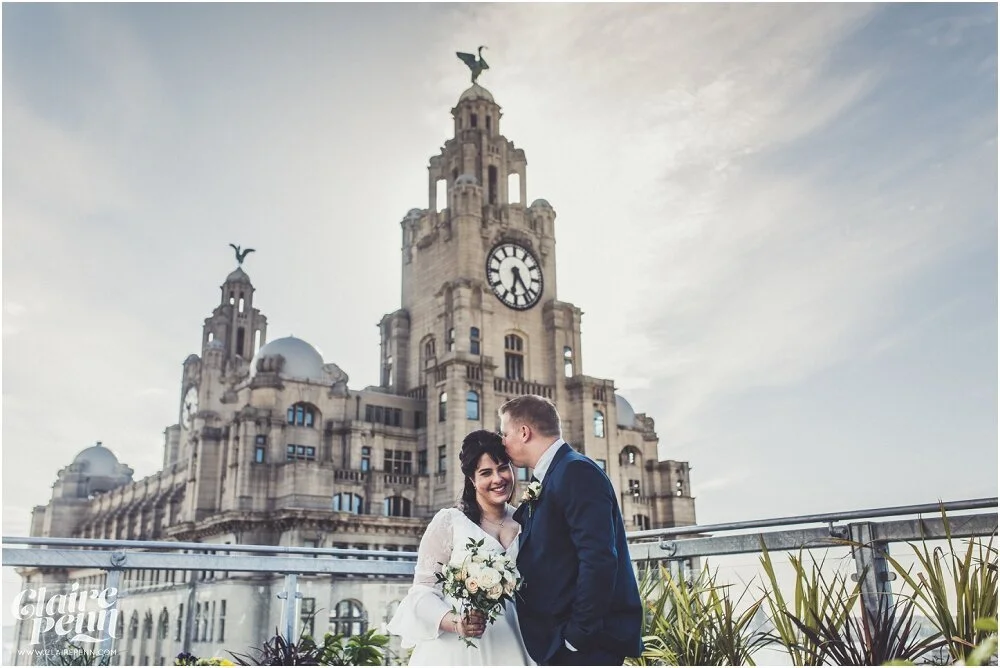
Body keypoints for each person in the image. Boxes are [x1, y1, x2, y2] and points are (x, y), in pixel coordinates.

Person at [500, 395, 644, 666]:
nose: (502, 442)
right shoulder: (553, 473)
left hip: (586, 646)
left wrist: (577, 635)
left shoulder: (576, 471)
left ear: (524, 432)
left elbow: (599, 558)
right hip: (560, 641)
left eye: (505, 433)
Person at [386, 430, 535, 666]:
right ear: (472, 480)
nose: (498, 479)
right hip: (458, 649)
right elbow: (422, 592)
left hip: (516, 644)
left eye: (503, 468)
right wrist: (456, 623)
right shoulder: (450, 522)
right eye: (486, 473)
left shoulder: (527, 522)